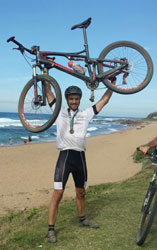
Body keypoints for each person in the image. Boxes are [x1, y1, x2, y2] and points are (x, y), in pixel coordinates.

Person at [44, 68, 116, 243]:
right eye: (71, 99)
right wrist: (45, 74)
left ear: (79, 100)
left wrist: (112, 85)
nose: (74, 101)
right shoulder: (59, 111)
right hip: (65, 157)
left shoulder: (85, 114)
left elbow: (104, 101)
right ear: (67, 100)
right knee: (58, 193)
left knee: (81, 192)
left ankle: (83, 219)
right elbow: (48, 92)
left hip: (80, 157)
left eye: (76, 99)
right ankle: (51, 230)